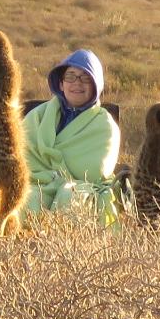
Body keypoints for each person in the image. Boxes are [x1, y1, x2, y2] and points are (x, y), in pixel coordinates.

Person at [23, 49, 121, 227]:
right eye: (70, 76)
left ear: (95, 85)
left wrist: (59, 177)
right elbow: (22, 155)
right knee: (26, 200)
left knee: (71, 197)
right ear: (61, 83)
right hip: (38, 182)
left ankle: (66, 253)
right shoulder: (37, 116)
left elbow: (95, 170)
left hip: (83, 187)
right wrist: (49, 176)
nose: (77, 83)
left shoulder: (104, 124)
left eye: (85, 78)